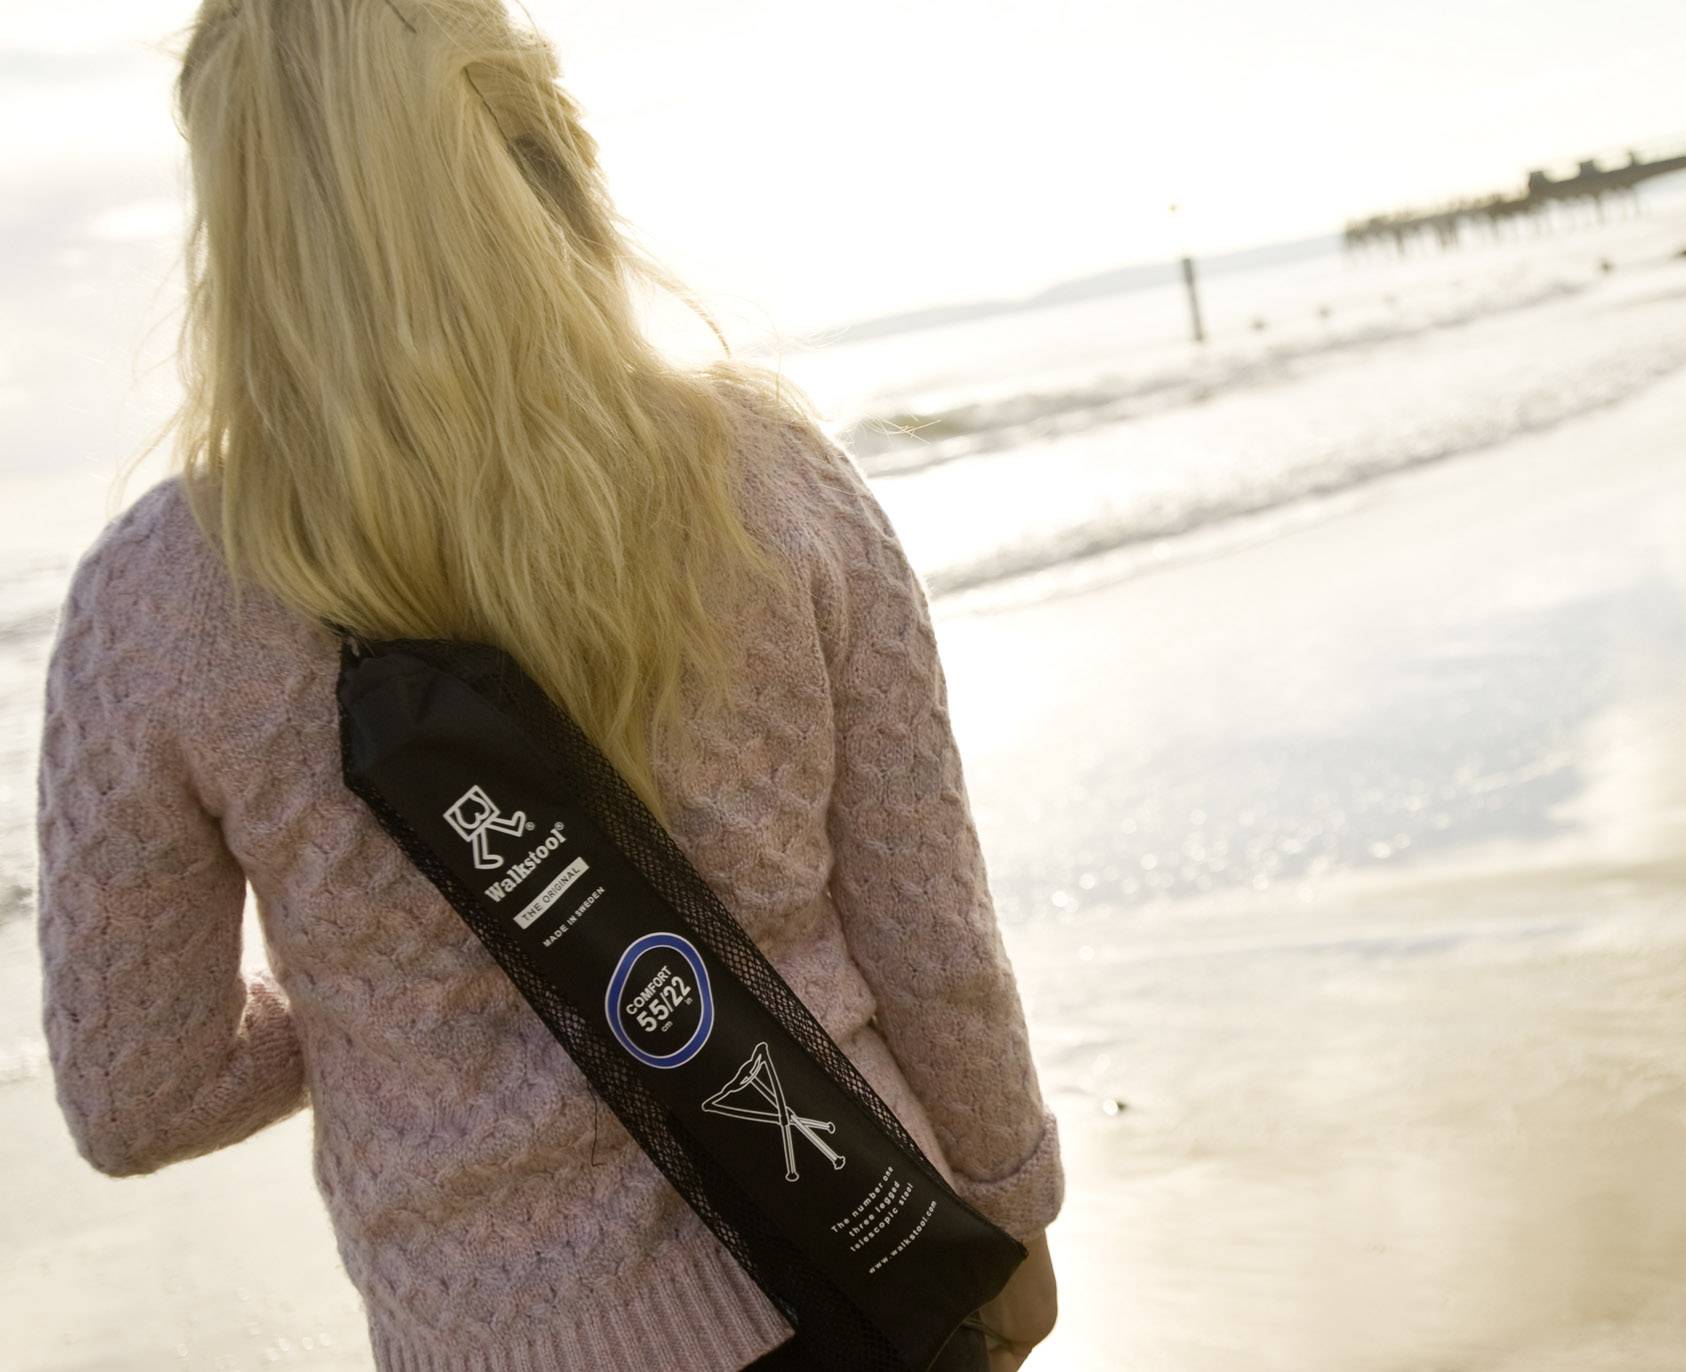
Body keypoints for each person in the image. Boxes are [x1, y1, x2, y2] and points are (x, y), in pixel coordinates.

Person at [32, 1, 1060, 1368]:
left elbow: (136, 1099)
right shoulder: (770, 476)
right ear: (535, 143)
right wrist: (1013, 1212)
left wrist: (362, 998)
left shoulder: (158, 605)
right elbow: (929, 936)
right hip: (862, 1258)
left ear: (245, 223)